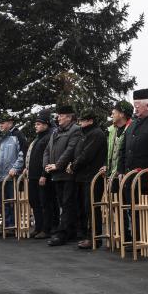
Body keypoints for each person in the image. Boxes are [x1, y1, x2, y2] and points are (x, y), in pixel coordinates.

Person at [118, 89, 148, 246]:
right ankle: (137, 240)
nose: (135, 109)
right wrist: (121, 170)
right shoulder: (133, 124)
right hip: (130, 176)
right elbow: (123, 149)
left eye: (138, 106)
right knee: (133, 210)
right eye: (134, 106)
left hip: (145, 176)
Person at [44, 105, 82, 246]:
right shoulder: (55, 132)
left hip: (67, 174)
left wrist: (58, 165)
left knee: (67, 204)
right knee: (62, 203)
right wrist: (47, 165)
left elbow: (70, 150)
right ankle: (71, 231)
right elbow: (47, 150)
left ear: (70, 117)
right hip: (56, 174)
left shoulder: (75, 130)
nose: (58, 118)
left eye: (61, 115)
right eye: (58, 115)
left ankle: (62, 233)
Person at [70, 109, 108, 249]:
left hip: (91, 177)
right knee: (84, 208)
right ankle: (86, 235)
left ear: (90, 120)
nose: (80, 123)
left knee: (92, 208)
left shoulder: (96, 134)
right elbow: (78, 152)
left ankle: (94, 238)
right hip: (82, 176)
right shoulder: (84, 134)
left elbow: (87, 155)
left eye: (82, 120)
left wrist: (73, 165)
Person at [25, 110, 56, 239]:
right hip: (32, 175)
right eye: (36, 124)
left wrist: (44, 174)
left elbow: (47, 157)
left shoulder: (49, 136)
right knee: (34, 201)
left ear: (46, 124)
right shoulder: (39, 138)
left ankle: (46, 228)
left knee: (45, 202)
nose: (36, 126)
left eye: (38, 124)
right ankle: (38, 227)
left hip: (42, 176)